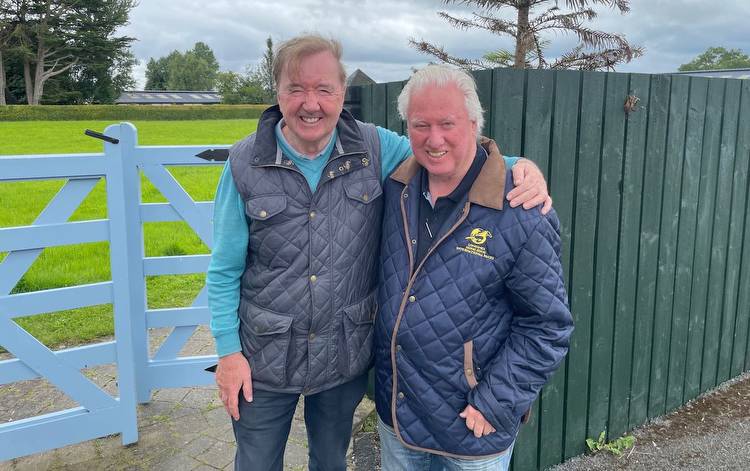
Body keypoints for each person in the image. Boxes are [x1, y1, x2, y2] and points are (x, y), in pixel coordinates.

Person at [206, 34, 551, 471]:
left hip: (341, 358)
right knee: (255, 463)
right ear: (277, 93)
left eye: (324, 90)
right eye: (296, 89)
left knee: (330, 461)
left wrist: (522, 167)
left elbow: (446, 151)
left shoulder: (373, 147)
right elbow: (223, 270)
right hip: (263, 359)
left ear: (341, 94)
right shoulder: (244, 163)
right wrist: (228, 353)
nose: (310, 103)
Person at [373, 65, 574, 470]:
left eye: (447, 123)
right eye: (420, 125)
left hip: (473, 425)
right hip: (397, 414)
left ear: (474, 122)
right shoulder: (395, 187)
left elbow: (548, 325)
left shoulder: (521, 209)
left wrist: (496, 402)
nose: (434, 139)